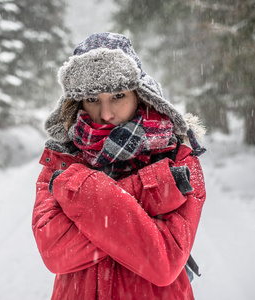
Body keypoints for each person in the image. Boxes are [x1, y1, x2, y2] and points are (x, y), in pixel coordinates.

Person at [32, 32, 206, 300]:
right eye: (92, 99)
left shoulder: (177, 155)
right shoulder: (61, 158)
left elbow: (164, 262)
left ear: (140, 94)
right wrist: (148, 193)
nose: (105, 113)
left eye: (118, 95)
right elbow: (55, 252)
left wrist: (81, 187)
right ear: (77, 102)